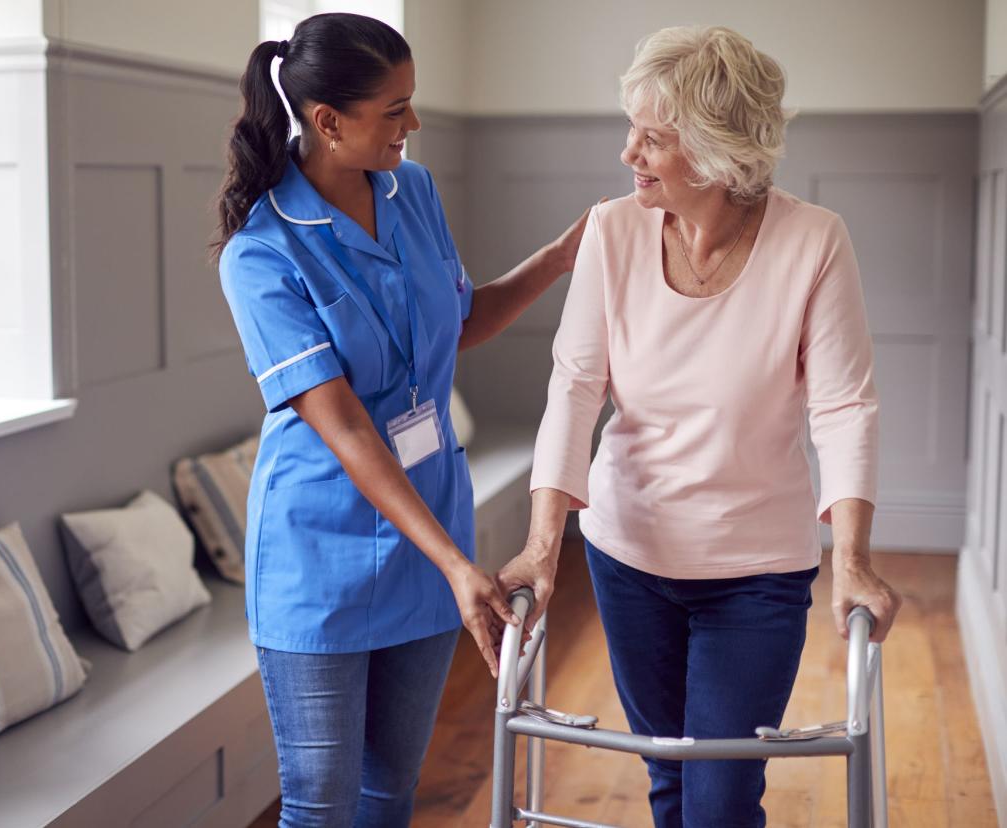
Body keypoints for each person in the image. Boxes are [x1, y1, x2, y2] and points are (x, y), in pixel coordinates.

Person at [496, 25, 903, 828]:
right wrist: (544, 549)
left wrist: (852, 561)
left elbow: (843, 405)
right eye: (631, 131)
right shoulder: (613, 231)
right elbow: (575, 389)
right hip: (627, 553)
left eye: (652, 138)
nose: (628, 154)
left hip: (756, 571)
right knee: (668, 778)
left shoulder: (813, 241)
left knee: (719, 798)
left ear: (719, 153)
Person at [213, 13, 587, 826]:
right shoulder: (261, 253)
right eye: (395, 110)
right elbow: (343, 427)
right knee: (320, 803)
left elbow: (458, 323)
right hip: (320, 562)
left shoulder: (411, 191)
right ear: (327, 122)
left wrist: (559, 258)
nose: (412, 126)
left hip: (428, 546)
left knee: (391, 793)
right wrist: (460, 565)